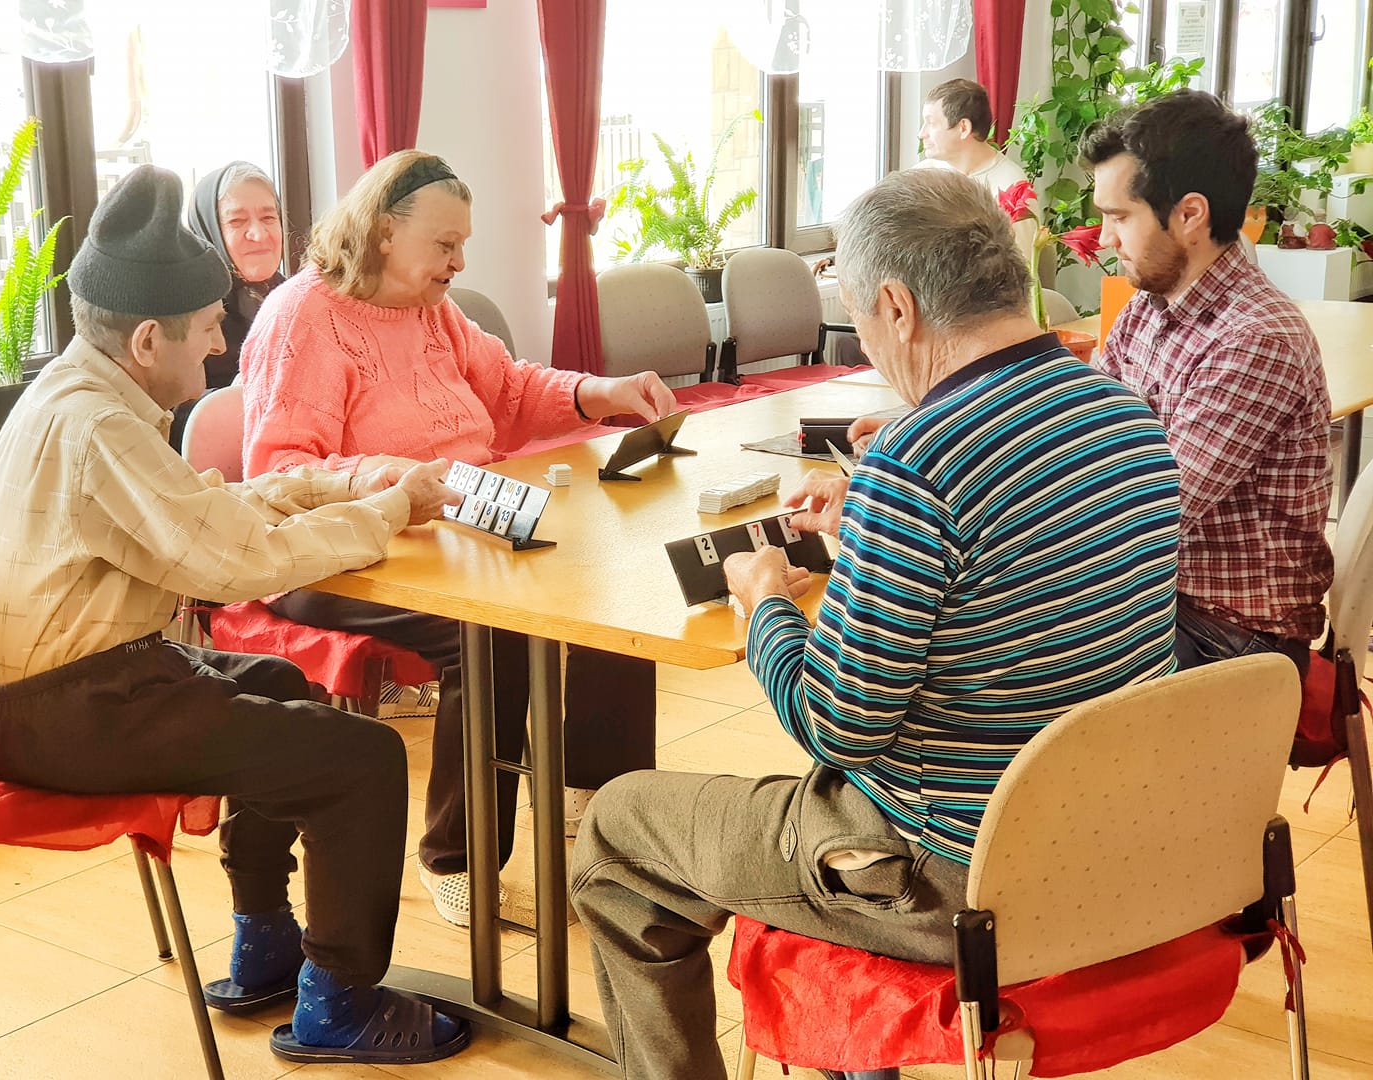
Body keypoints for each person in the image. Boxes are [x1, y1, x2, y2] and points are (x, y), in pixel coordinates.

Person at [567, 168, 1182, 1080]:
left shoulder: (917, 460)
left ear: (897, 306)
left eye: (859, 317)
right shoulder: (1126, 413)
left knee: (618, 829)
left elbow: (839, 726)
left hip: (954, 872)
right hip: (1111, 837)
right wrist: (875, 522)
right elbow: (1019, 561)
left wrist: (766, 602)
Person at [0, 164, 471, 1067]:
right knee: (364, 758)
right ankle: (339, 1003)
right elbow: (233, 563)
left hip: (71, 691)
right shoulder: (100, 428)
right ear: (147, 338)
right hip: (69, 711)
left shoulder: (85, 395)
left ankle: (266, 943)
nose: (218, 347)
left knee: (279, 680)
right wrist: (389, 511)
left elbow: (203, 512)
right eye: (205, 330)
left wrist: (336, 485)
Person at [239, 150, 676, 928]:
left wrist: (601, 392)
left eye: (461, 245)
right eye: (445, 245)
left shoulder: (430, 308)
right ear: (383, 232)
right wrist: (389, 478)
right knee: (491, 629)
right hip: (334, 552)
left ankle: (597, 802)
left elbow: (510, 391)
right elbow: (278, 471)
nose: (459, 262)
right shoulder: (302, 317)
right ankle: (457, 855)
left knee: (609, 581)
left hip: (452, 525)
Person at [1083, 90, 1332, 676]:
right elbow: (1085, 431)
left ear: (1190, 214)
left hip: (1234, 637)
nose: (1105, 239)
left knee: (999, 663)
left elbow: (1146, 517)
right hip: (1167, 600)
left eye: (1119, 217)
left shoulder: (1255, 337)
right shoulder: (1151, 304)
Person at [815, 78, 1036, 277]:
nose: (921, 134)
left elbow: (1018, 271)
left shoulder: (1013, 186)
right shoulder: (923, 175)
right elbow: (881, 227)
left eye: (931, 123)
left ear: (963, 128)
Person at [168, 160, 285, 449]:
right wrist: (231, 401)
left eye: (268, 218)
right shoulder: (186, 310)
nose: (259, 234)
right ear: (209, 229)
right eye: (237, 222)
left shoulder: (297, 298)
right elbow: (166, 415)